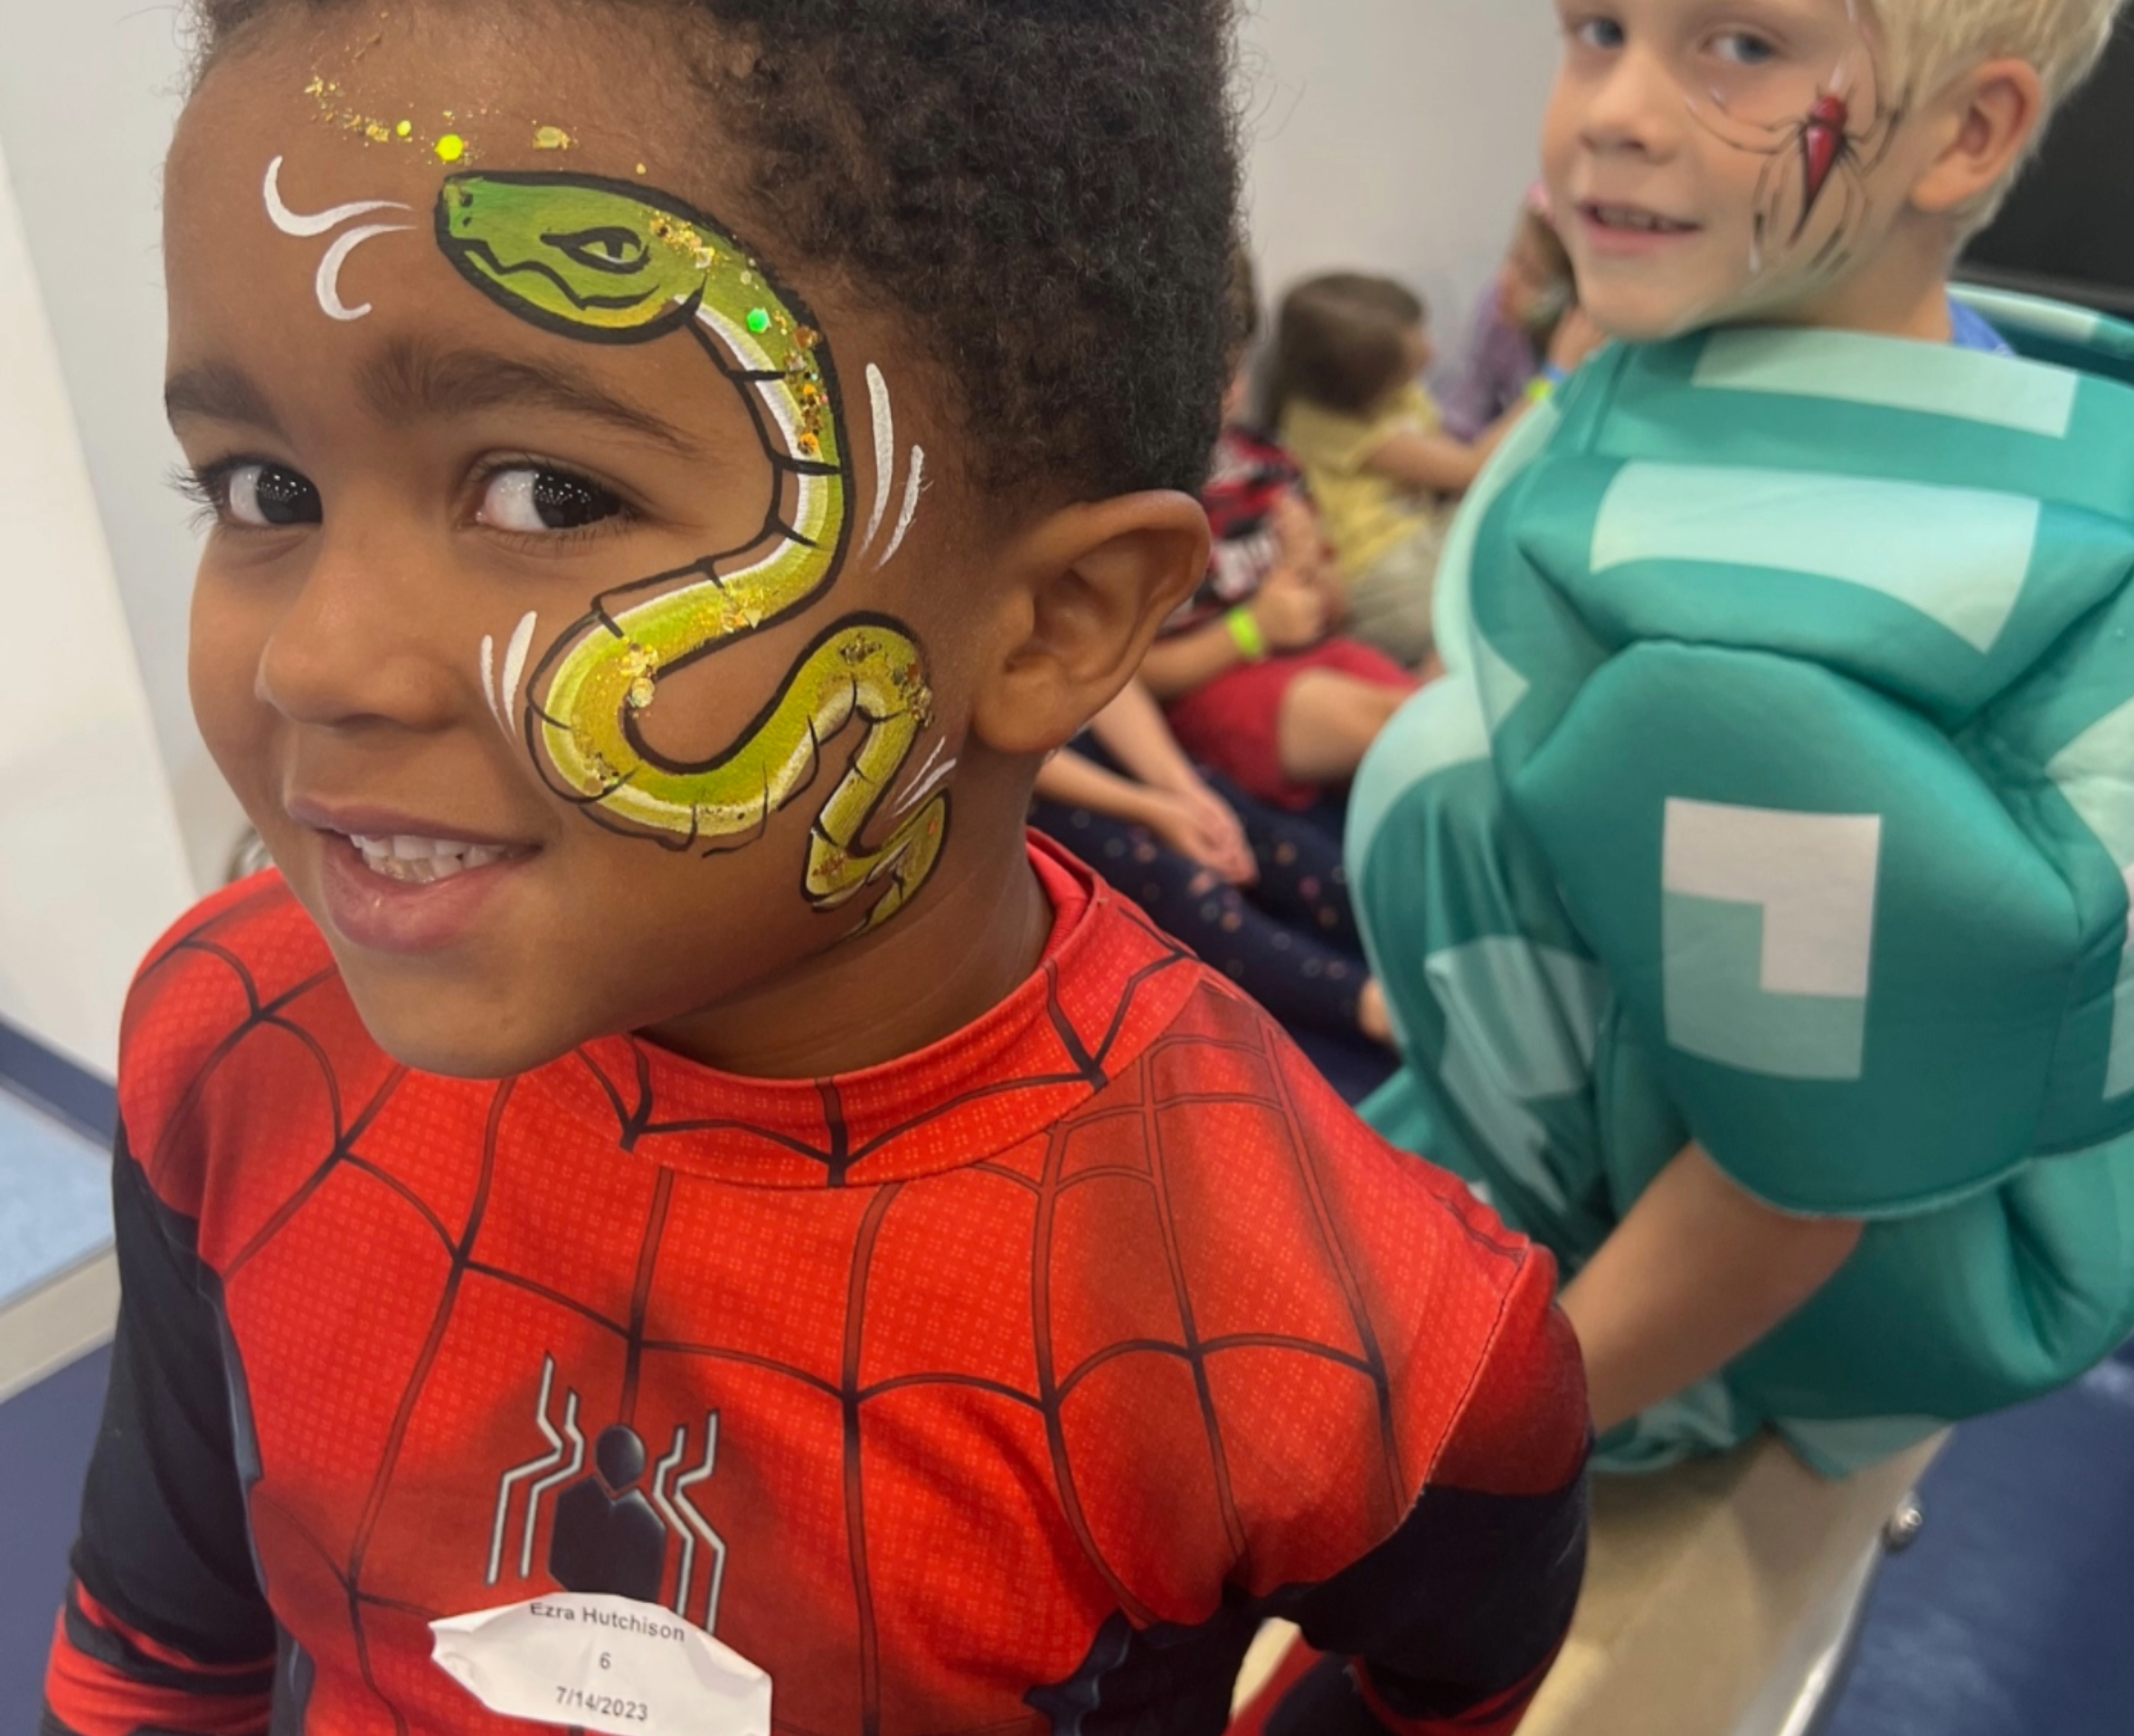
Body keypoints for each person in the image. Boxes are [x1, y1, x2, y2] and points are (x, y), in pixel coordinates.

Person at [41, 5, 1592, 1735]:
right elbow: (154, 1649)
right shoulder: (230, 1040)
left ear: (1057, 623)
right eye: (261, 486)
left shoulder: (1351, 1329)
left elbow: (1452, 1668)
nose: (313, 662)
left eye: (550, 494)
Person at [1351, 0, 2134, 1478]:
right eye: (1597, 27)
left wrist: (1482, 1441)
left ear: (1970, 132)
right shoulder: (1822, 373)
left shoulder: (1763, 671)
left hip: (1758, 1293)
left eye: (1741, 47)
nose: (1612, 106)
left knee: (1442, 778)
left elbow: (1794, 1188)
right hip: (1708, 1086)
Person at [1144, 256, 1417, 813]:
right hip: (1213, 690)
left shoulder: (1267, 462)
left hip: (1314, 652)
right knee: (1394, 732)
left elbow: (1337, 608)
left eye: (1236, 371)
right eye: (1208, 376)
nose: (1230, 395)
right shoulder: (1146, 500)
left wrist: (1311, 565)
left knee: (1432, 720)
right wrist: (1252, 629)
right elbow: (1135, 676)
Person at [1033, 684, 1396, 1051]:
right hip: (1034, 803)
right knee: (1182, 890)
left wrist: (1185, 791)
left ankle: (1418, 936)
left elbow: (1111, 690)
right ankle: (1371, 1007)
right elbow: (1009, 764)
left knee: (1264, 835)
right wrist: (1151, 809)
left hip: (1118, 748)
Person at [1272, 275, 1527, 667]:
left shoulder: (1398, 393)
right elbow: (1472, 467)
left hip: (1424, 533)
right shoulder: (1322, 424)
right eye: (1414, 357)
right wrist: (1554, 378)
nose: (1432, 350)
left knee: (1513, 531)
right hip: (1379, 573)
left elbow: (1450, 460)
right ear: (1367, 385)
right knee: (1488, 596)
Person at [1435, 186, 1603, 440]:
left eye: (1533, 278)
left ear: (1580, 299)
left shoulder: (1597, 351)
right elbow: (1468, 404)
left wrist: (1556, 375)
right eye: (1513, 257)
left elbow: (1533, 438)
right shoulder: (1497, 309)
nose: (1504, 281)